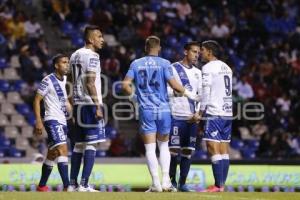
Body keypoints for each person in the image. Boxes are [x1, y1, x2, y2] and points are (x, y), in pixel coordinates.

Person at [122, 35, 199, 192]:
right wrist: (191, 95)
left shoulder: (136, 63)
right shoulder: (165, 63)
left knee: (150, 148)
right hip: (163, 110)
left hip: (146, 110)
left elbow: (125, 85)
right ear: (159, 48)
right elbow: (175, 86)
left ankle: (155, 183)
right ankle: (166, 182)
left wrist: (134, 98)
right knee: (164, 146)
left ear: (145, 47)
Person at [68, 25, 105, 192]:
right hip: (89, 105)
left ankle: (72, 184)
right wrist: (98, 106)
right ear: (91, 39)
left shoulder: (74, 55)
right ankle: (84, 184)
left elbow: (70, 80)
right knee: (91, 144)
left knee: (78, 145)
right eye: (99, 36)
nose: (102, 39)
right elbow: (90, 83)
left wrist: (73, 102)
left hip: (78, 104)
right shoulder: (93, 56)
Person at [33, 54, 71, 192]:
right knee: (63, 150)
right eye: (64, 62)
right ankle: (68, 187)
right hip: (52, 119)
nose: (67, 64)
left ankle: (42, 186)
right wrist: (38, 121)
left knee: (52, 154)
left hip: (62, 121)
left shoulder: (65, 79)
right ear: (56, 65)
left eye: (68, 62)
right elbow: (37, 99)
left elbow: (64, 100)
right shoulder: (47, 80)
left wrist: (71, 114)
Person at [168, 41, 202, 192]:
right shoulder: (173, 68)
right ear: (185, 52)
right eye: (194, 52)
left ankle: (183, 183)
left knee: (188, 151)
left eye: (198, 53)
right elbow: (167, 89)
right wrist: (175, 93)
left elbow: (201, 95)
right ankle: (171, 182)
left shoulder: (198, 72)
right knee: (173, 150)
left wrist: (198, 113)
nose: (196, 55)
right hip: (176, 115)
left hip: (192, 117)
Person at [199, 40, 233, 192]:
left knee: (212, 146)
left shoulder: (207, 68)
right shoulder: (227, 67)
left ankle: (218, 185)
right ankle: (221, 185)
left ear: (210, 52)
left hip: (214, 111)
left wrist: (201, 111)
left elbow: (206, 91)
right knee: (224, 149)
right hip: (227, 112)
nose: (200, 53)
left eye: (203, 50)